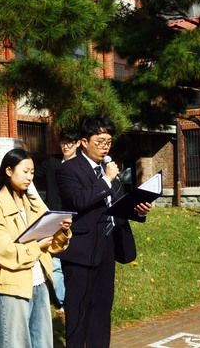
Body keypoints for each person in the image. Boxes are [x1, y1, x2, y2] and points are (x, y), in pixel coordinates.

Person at [56, 115, 151, 348]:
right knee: (78, 314)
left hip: (107, 247)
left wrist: (139, 209)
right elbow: (78, 200)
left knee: (102, 311)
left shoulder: (108, 171)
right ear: (83, 142)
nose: (105, 147)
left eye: (108, 142)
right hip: (80, 253)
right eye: (99, 141)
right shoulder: (69, 170)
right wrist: (106, 180)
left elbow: (117, 205)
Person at [0, 148, 72, 348]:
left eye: (32, 172)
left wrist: (61, 230)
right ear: (9, 171)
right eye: (25, 171)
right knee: (15, 343)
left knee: (43, 343)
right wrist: (36, 247)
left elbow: (52, 245)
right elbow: (0, 253)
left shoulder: (33, 203)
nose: (30, 177)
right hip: (12, 287)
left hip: (39, 283)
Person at [35, 128, 81, 311]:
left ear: (78, 143)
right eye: (63, 142)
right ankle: (62, 300)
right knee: (55, 262)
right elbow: (33, 177)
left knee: (73, 261)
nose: (66, 146)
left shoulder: (81, 166)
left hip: (75, 219)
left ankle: (74, 297)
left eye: (70, 142)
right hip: (54, 218)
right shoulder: (52, 164)